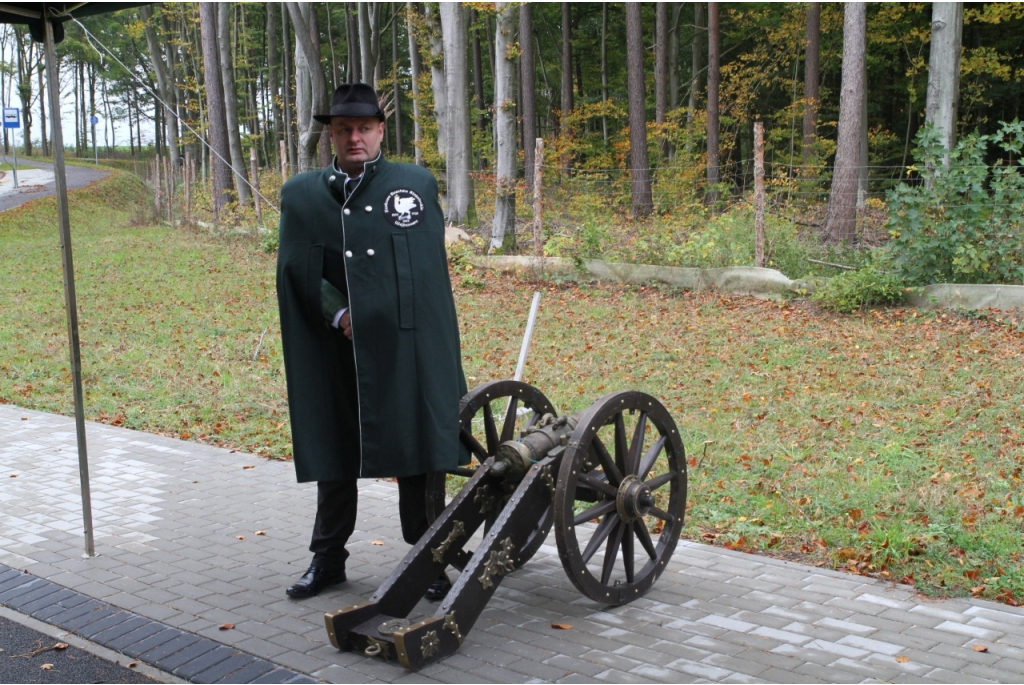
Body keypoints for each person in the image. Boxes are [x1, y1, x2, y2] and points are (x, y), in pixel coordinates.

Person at [276, 83, 468, 599]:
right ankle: (327, 560)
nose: (354, 138)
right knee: (335, 452)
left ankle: (427, 561)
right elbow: (297, 269)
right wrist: (338, 312)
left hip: (404, 348)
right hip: (334, 350)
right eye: (343, 130)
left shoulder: (413, 185)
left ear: (381, 130)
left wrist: (387, 314)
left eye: (363, 128)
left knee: (414, 454)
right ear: (330, 136)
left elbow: (426, 274)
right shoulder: (302, 195)